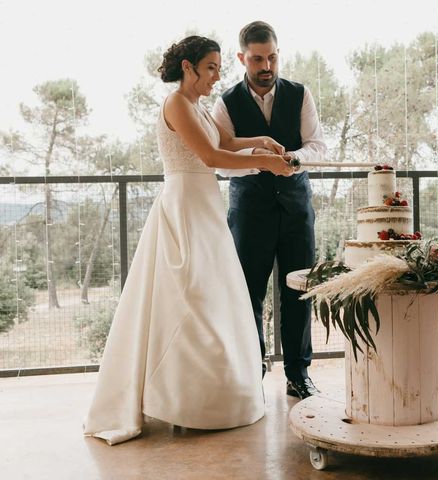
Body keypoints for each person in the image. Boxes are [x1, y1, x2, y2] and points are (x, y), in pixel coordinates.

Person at [83, 35, 293, 446]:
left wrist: (260, 142)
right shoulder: (177, 103)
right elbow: (211, 159)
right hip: (184, 207)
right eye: (211, 67)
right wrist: (266, 164)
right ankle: (182, 400)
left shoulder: (198, 106)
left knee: (214, 300)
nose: (217, 75)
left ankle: (211, 397)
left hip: (206, 209)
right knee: (190, 299)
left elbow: (226, 143)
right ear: (188, 68)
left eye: (218, 67)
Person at [212, 20, 326, 399]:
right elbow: (219, 160)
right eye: (258, 59)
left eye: (272, 57)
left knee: (298, 289)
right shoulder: (224, 103)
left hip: (295, 207)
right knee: (248, 291)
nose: (267, 67)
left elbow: (317, 147)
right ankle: (252, 370)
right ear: (242, 58)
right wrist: (260, 161)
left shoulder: (300, 94)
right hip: (249, 211)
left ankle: (298, 374)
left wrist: (292, 158)